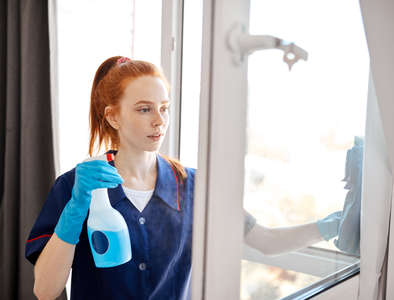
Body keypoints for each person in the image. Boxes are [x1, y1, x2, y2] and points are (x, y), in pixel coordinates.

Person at [25, 56, 342, 300]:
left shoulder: (195, 187)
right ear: (113, 116)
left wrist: (331, 226)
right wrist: (75, 211)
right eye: (144, 109)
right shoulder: (74, 188)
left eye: (164, 108)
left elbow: (266, 242)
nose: (159, 121)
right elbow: (46, 290)